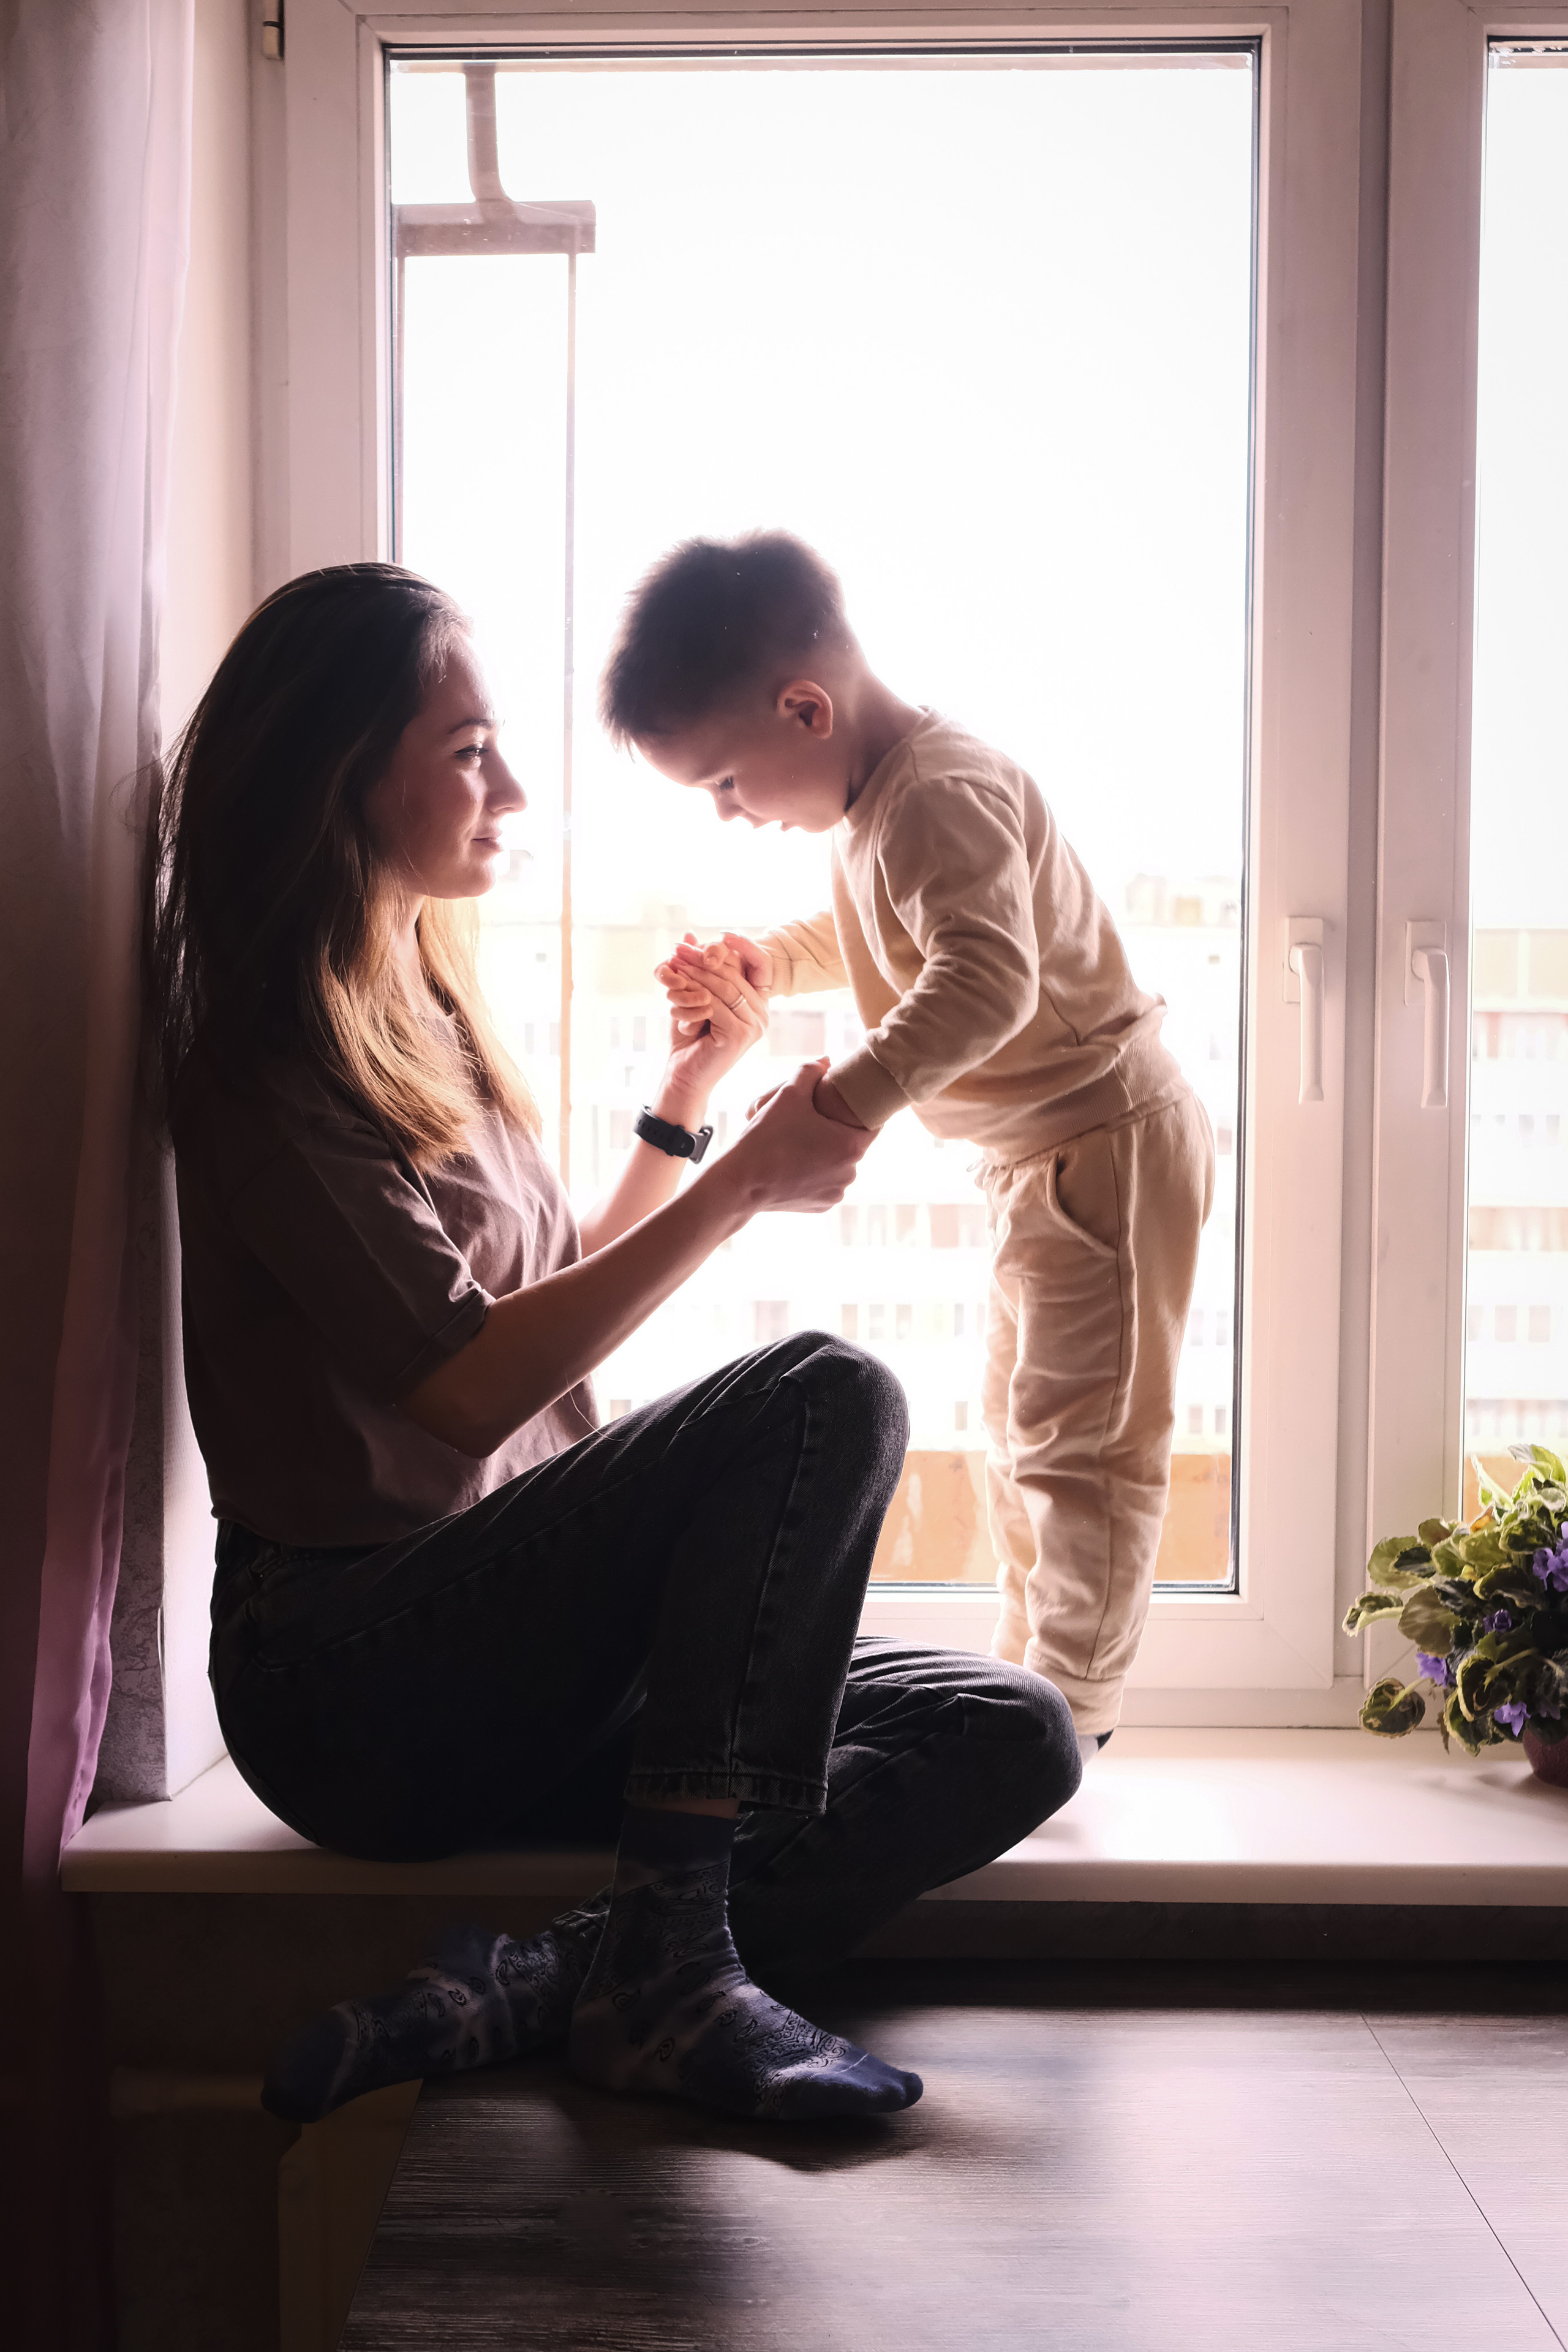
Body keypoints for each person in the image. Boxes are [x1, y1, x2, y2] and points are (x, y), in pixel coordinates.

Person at [144, 562, 1080, 2129]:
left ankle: (563, 1975)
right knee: (825, 1393)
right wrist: (741, 1195)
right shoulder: (267, 1058)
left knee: (1005, 1733)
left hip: (507, 1648)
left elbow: (534, 1301)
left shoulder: (420, 1007)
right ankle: (658, 1976)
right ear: (338, 776)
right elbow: (462, 1388)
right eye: (465, 750)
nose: (509, 786)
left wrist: (687, 1105)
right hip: (357, 1683)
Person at [609, 531, 1215, 1757]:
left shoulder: (936, 792)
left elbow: (983, 983)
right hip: (1044, 1160)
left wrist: (846, 1102)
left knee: (1081, 1452)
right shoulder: (878, 807)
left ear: (802, 708)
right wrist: (769, 959)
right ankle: (1024, 1698)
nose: (730, 815)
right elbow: (886, 932)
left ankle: (1067, 1726)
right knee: (1021, 1430)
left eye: (725, 783)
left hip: (1103, 1144)